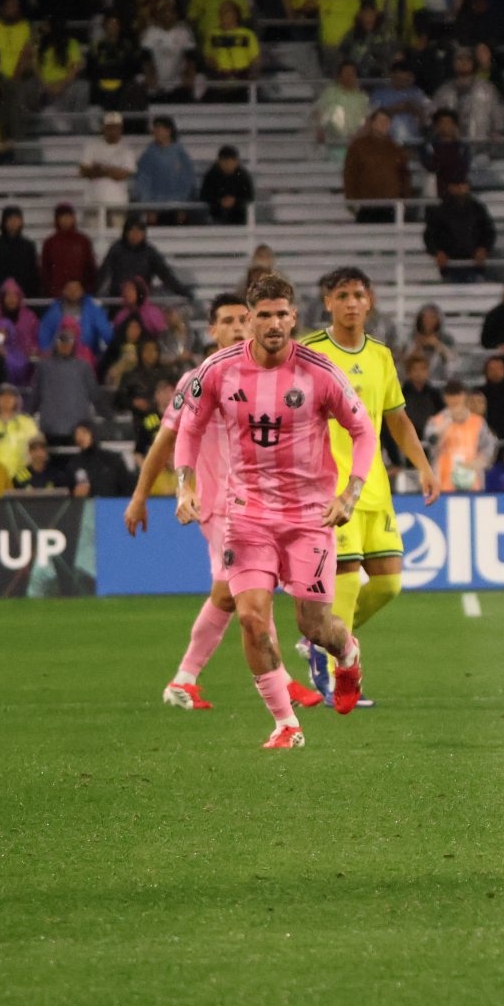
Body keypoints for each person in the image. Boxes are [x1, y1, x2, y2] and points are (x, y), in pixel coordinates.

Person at [171, 274, 377, 749]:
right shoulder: (219, 370)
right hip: (246, 514)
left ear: (294, 317)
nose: (274, 323)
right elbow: (189, 428)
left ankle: (347, 655)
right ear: (250, 319)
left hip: (309, 516)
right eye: (263, 315)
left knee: (313, 625)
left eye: (282, 314)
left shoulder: (319, 372)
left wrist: (350, 493)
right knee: (251, 617)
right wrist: (186, 486)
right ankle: (286, 724)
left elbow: (363, 431)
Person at [127, 294, 321, 714]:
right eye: (226, 321)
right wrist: (146, 495)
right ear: (211, 331)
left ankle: (184, 679)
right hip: (219, 505)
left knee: (229, 594)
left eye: (241, 319)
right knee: (253, 588)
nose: (236, 327)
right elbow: (168, 439)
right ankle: (281, 682)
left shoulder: (262, 377)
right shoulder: (199, 380)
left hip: (262, 503)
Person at [295, 268, 441, 703]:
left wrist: (424, 466)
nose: (352, 303)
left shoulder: (380, 355)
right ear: (328, 303)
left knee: (389, 584)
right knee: (346, 580)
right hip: (329, 490)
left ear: (370, 301)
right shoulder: (308, 352)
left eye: (359, 294)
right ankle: (334, 671)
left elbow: (396, 418)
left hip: (373, 486)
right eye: (342, 295)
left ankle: (321, 637)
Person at [424, 180, 496, 282]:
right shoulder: (440, 211)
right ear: (450, 187)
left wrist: (484, 248)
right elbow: (429, 236)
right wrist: (437, 252)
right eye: (456, 185)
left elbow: (489, 231)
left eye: (463, 185)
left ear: (468, 187)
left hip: (474, 263)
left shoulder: (478, 208)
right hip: (449, 264)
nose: (460, 189)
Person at [78, 112, 137, 216]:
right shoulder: (91, 147)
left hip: (118, 203)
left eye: (116, 127)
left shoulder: (127, 150)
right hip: (93, 202)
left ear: (121, 129)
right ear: (103, 128)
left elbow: (123, 175)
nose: (113, 131)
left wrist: (100, 170)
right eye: (110, 127)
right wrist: (112, 171)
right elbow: (83, 171)